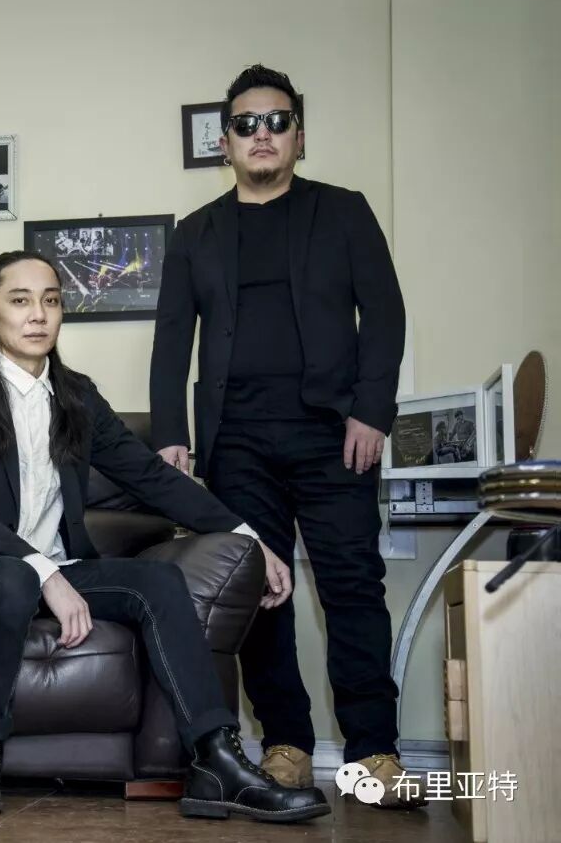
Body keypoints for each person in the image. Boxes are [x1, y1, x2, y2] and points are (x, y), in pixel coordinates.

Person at [0, 250, 328, 824]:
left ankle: (216, 760)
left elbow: (149, 475)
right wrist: (43, 571)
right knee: (12, 580)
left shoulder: (76, 395)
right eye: (19, 300)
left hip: (59, 569)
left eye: (51, 300)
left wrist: (245, 534)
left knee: (158, 582)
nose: (38, 315)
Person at [149, 64, 415, 808]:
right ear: (225, 143)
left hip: (336, 434)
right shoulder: (195, 233)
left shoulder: (344, 212)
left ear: (299, 135)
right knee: (260, 592)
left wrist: (372, 410)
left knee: (352, 585)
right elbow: (172, 341)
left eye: (276, 121)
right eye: (245, 124)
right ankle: (286, 745)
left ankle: (374, 751)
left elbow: (385, 314)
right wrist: (171, 434)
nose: (261, 134)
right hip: (236, 438)